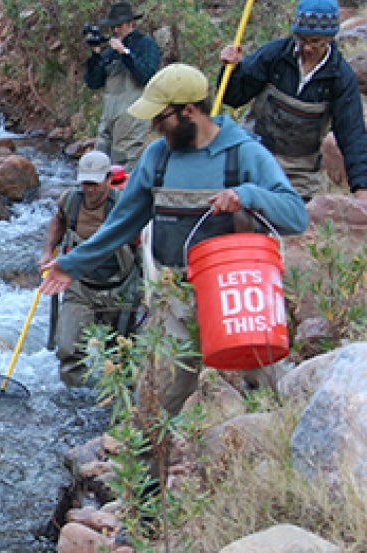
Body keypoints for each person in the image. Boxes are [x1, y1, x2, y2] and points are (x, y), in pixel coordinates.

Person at [39, 64, 308, 417]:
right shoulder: (157, 157)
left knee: (265, 387)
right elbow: (121, 224)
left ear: (190, 111)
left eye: (160, 118)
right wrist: (72, 264)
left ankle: (274, 452)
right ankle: (150, 467)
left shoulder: (244, 154)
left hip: (235, 293)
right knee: (154, 402)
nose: (153, 127)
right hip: (175, 295)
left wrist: (248, 195)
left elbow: (295, 217)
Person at [219, 0, 367, 200]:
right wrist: (232, 70)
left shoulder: (340, 77)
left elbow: (352, 135)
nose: (307, 48)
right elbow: (233, 97)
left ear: (330, 38)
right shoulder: (274, 55)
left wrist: (361, 187)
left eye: (316, 42)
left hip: (299, 174)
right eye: (302, 39)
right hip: (252, 156)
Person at [39, 150, 141, 386]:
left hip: (120, 288)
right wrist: (48, 250)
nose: (90, 189)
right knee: (67, 350)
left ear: (108, 179)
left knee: (119, 355)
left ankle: (115, 404)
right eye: (85, 183)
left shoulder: (125, 204)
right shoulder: (70, 200)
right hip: (79, 287)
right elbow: (59, 220)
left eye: (95, 184)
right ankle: (73, 397)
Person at [85, 1, 161, 166]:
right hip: (109, 116)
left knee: (122, 165)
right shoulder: (110, 51)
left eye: (119, 26)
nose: (115, 30)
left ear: (130, 23)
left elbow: (147, 76)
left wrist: (125, 53)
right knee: (98, 164)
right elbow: (93, 82)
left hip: (132, 117)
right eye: (113, 26)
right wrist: (95, 56)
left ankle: (122, 193)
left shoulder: (146, 44)